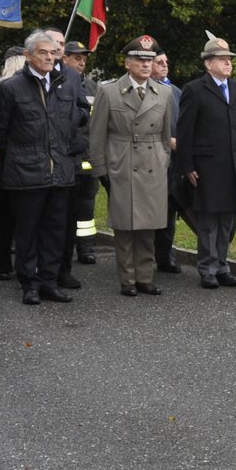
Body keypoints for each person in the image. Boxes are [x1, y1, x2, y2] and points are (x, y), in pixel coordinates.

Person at [0, 29, 85, 305]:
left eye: (53, 53)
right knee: (28, 232)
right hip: (26, 171)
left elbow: (76, 118)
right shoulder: (11, 88)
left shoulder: (66, 84)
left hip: (60, 170)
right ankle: (29, 284)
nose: (49, 57)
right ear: (27, 56)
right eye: (42, 52)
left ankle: (49, 281)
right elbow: (0, 131)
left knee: (55, 231)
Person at [88, 36, 173, 297]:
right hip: (122, 161)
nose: (146, 64)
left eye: (149, 59)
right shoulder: (109, 91)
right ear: (127, 63)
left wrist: (162, 161)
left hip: (152, 164)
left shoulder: (164, 92)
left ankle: (145, 277)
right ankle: (128, 280)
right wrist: (102, 170)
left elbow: (165, 135)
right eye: (140, 59)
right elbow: (97, 135)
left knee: (149, 225)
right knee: (125, 226)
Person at [174, 33, 236, 290]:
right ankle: (207, 269)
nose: (228, 63)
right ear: (208, 64)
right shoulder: (195, 90)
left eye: (229, 59)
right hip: (207, 167)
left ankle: (222, 266)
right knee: (208, 221)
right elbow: (185, 131)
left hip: (233, 164)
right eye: (222, 59)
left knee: (227, 220)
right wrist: (187, 166)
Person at [59, 40, 101, 271]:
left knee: (87, 205)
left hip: (88, 154)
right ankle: (61, 249)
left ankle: (86, 248)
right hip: (65, 155)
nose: (82, 61)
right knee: (63, 205)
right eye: (76, 57)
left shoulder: (93, 87)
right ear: (63, 58)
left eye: (84, 58)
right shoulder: (57, 83)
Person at [0, 46, 26, 280]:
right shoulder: (11, 88)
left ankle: (1, 263)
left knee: (2, 216)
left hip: (2, 160)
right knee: (18, 216)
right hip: (16, 157)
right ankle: (14, 263)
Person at [149, 49, 184, 273]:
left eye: (166, 62)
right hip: (149, 160)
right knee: (149, 212)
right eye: (159, 62)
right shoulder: (142, 92)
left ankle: (165, 255)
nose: (164, 65)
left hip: (171, 164)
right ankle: (143, 257)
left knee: (169, 210)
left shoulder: (175, 91)